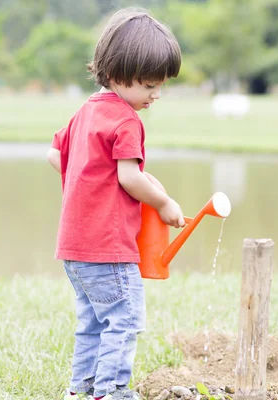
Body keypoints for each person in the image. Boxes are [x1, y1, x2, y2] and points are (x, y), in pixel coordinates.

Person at [47, 7, 185, 400]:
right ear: (119, 74)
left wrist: (88, 179)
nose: (155, 95)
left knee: (92, 322)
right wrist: (164, 202)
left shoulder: (86, 111)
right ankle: (111, 391)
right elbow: (129, 177)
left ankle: (83, 388)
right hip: (108, 248)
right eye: (149, 85)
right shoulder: (126, 122)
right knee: (123, 320)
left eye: (160, 86)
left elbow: (55, 156)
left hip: (74, 248)